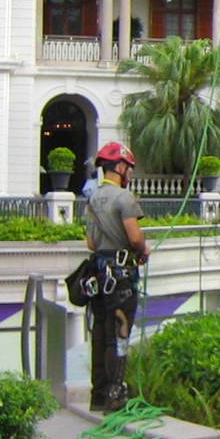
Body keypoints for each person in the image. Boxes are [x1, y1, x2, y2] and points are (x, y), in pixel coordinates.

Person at [83, 141, 149, 412]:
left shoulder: (92, 199)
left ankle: (98, 395)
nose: (130, 173)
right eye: (129, 168)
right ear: (120, 167)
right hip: (121, 276)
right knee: (119, 334)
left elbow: (90, 242)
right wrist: (144, 250)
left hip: (99, 274)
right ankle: (115, 395)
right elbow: (134, 237)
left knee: (100, 331)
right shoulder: (124, 198)